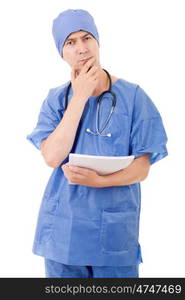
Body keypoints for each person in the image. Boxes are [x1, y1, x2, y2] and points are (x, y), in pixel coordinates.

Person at [26, 9, 168, 278]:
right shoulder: (56, 100)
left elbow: (142, 168)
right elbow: (53, 157)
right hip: (63, 236)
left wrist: (100, 181)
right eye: (70, 42)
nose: (81, 48)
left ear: (98, 42)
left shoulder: (134, 97)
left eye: (87, 38)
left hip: (114, 235)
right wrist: (79, 97)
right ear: (61, 53)